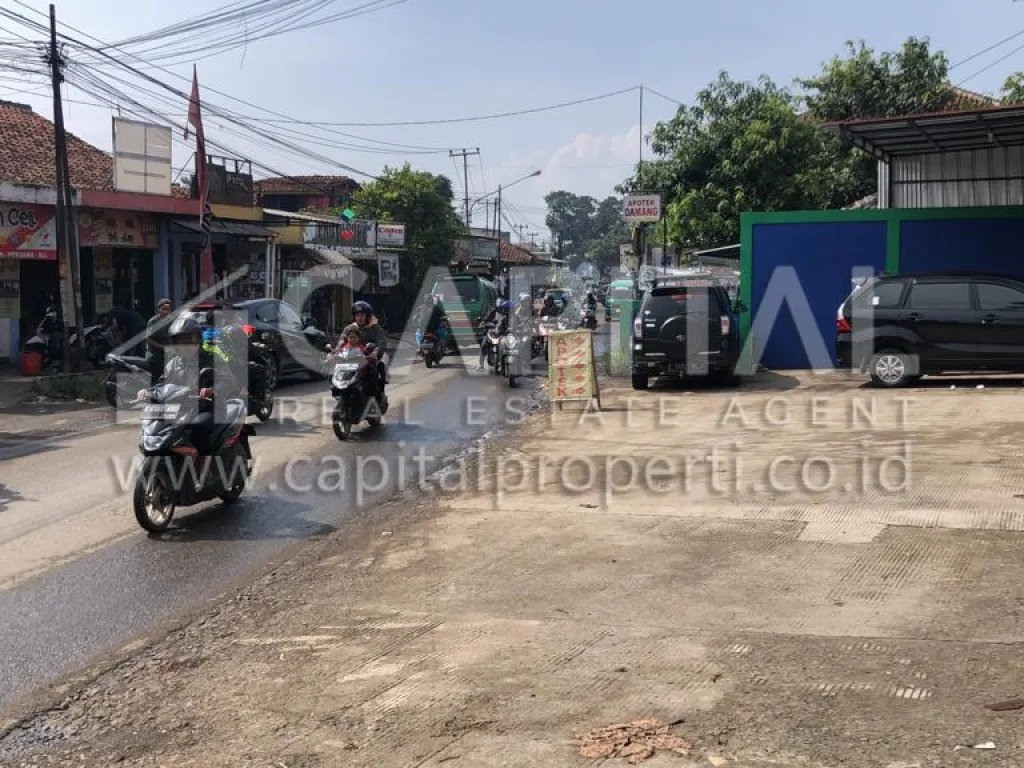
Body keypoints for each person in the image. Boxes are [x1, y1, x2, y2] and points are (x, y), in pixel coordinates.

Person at [341, 301, 388, 407]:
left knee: (378, 368)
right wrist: (334, 352)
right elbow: (341, 341)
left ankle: (379, 395)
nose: (359, 318)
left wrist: (376, 351)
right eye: (357, 315)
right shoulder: (350, 328)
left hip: (370, 359)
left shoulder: (376, 328)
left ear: (368, 316)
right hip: (351, 358)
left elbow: (382, 342)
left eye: (362, 315)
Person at [478, 299, 511, 368]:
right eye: (499, 307)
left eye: (502, 308)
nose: (501, 309)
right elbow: (485, 319)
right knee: (483, 345)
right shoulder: (493, 312)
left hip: (502, 333)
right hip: (492, 332)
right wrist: (483, 324)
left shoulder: (506, 314)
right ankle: (481, 365)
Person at [145, 298, 173, 381]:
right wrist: (163, 348)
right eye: (164, 309)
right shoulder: (153, 321)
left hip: (169, 354)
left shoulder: (171, 320)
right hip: (155, 354)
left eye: (168, 310)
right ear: (159, 309)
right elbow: (148, 340)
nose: (166, 312)